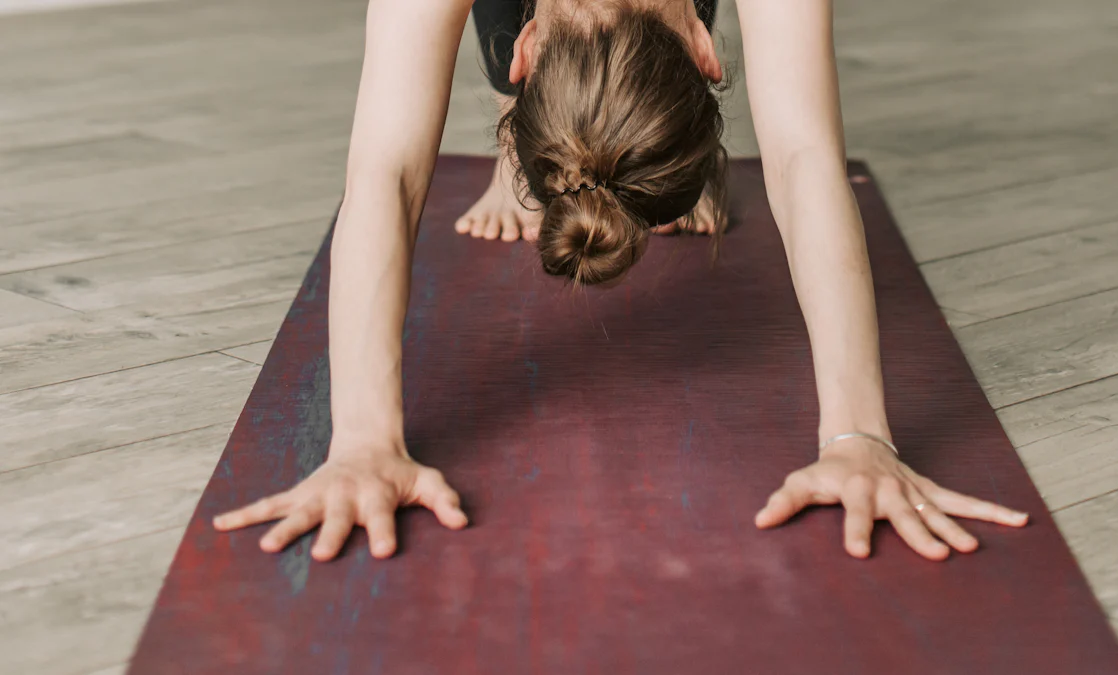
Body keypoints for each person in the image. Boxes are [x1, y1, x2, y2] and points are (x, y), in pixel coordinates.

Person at [213, 0, 1030, 564]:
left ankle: (598, 150)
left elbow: (388, 172)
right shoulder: (553, 40)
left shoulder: (559, 41)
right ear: (711, 54)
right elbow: (800, 156)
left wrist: (365, 438)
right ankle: (558, 153)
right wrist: (856, 435)